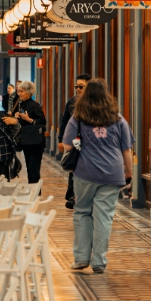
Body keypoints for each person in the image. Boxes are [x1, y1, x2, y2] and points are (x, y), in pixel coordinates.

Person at [60, 79, 134, 275]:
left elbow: (67, 145)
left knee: (82, 212)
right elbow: (126, 149)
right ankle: (99, 261)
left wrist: (82, 143)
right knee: (104, 217)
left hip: (85, 172)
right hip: (112, 173)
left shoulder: (78, 116)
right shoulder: (118, 118)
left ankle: (81, 258)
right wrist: (129, 172)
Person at [59, 75, 88, 208]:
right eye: (76, 86)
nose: (78, 89)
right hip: (75, 141)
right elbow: (64, 122)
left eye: (81, 86)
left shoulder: (95, 103)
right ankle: (73, 196)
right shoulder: (71, 102)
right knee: (74, 167)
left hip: (90, 143)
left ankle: (81, 196)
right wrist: (61, 140)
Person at [12, 81, 48, 184]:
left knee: (33, 168)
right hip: (27, 140)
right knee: (29, 167)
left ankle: (35, 190)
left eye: (22, 91)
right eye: (19, 91)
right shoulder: (21, 104)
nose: (19, 94)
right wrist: (17, 117)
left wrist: (29, 119)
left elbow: (42, 121)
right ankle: (32, 188)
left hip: (36, 141)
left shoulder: (34, 105)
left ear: (29, 93)